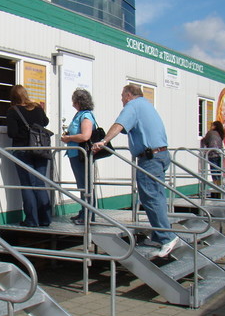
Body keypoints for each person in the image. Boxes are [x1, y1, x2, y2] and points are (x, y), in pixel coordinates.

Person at [92, 84, 180, 258]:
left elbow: (119, 124)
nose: (121, 100)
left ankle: (167, 238)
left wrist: (104, 141)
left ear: (129, 95)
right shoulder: (147, 105)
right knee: (157, 196)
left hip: (150, 158)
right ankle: (158, 236)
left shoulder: (133, 105)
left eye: (122, 96)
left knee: (151, 198)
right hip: (161, 154)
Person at [6, 84, 52, 227]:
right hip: (40, 150)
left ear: (12, 97)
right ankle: (45, 219)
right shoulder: (37, 108)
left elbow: (12, 133)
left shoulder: (13, 111)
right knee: (40, 184)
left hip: (23, 150)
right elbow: (45, 122)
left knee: (27, 185)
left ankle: (32, 220)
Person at [61, 89, 96, 225]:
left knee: (85, 185)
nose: (72, 104)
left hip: (82, 155)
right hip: (76, 154)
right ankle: (84, 211)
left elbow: (85, 136)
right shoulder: (80, 114)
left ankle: (88, 215)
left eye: (74, 101)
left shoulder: (86, 115)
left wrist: (69, 138)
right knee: (82, 185)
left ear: (79, 102)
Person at [200, 120, 225, 188]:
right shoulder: (220, 134)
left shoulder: (210, 133)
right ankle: (220, 185)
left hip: (212, 153)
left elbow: (205, 141)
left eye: (212, 125)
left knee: (214, 171)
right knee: (219, 171)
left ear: (214, 126)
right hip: (219, 154)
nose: (211, 127)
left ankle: (216, 186)